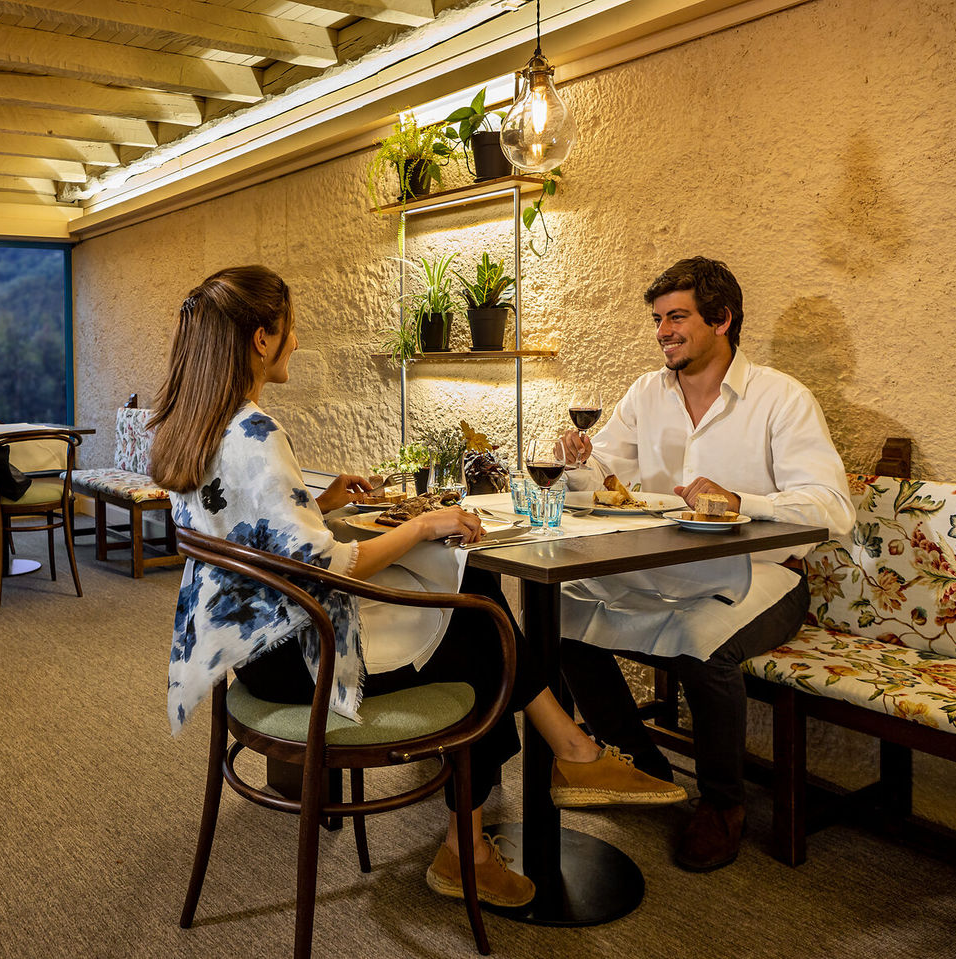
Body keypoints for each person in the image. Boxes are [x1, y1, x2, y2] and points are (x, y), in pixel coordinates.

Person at [151, 265, 685, 910]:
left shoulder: (195, 423)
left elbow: (248, 530)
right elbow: (329, 568)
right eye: (291, 330)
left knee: (477, 595)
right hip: (301, 664)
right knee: (486, 634)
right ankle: (514, 804)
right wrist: (425, 524)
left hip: (252, 651)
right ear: (261, 338)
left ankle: (553, 766)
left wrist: (319, 501)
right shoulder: (255, 434)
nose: (296, 343)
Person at [556, 256, 854, 872]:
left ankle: (722, 805)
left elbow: (833, 508)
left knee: (701, 642)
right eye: (658, 319)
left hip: (767, 577)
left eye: (677, 317)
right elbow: (604, 481)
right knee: (561, 611)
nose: (663, 330)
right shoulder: (646, 393)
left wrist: (744, 503)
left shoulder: (781, 398)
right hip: (664, 568)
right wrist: (577, 462)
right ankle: (643, 764)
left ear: (721, 319)